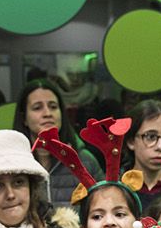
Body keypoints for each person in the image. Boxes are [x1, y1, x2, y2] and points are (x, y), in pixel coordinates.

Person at [13, 78, 103, 206]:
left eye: (53, 107)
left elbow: (105, 206)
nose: (47, 113)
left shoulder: (85, 160)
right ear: (24, 119)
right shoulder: (14, 163)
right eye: (37, 108)